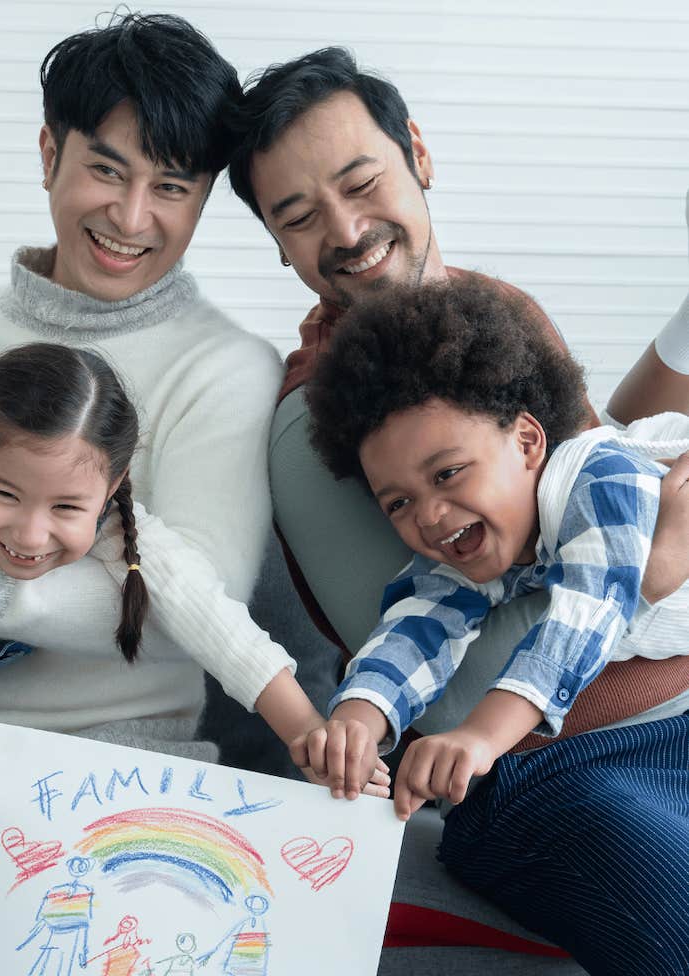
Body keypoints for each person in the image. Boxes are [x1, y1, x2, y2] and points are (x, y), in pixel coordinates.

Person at [228, 42, 689, 771]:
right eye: (300, 218)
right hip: (576, 760)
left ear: (418, 153)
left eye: (361, 184)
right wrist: (651, 570)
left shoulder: (497, 310)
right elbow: (448, 695)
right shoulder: (313, 421)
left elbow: (594, 473)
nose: (347, 232)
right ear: (279, 244)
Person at [0, 341, 364, 976]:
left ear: (111, 486)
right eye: (4, 494)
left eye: (65, 508)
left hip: (59, 800)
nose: (29, 535)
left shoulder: (129, 535)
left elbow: (221, 626)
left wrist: (307, 730)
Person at [298, 279, 689, 813]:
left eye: (448, 473)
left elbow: (586, 613)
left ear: (527, 441)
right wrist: (356, 720)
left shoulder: (603, 479)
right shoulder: (474, 542)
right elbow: (417, 625)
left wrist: (480, 736)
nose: (429, 515)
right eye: (398, 504)